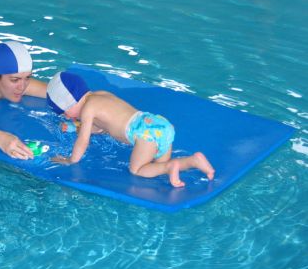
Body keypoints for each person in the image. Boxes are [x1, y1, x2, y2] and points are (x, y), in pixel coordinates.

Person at [46, 71, 215, 187]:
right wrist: (73, 127)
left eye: (64, 112)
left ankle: (174, 166)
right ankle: (194, 161)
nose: (67, 117)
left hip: (144, 134)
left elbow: (83, 140)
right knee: (156, 169)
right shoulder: (101, 95)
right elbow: (101, 128)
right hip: (159, 125)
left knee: (138, 170)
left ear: (71, 101)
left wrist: (71, 160)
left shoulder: (88, 109)